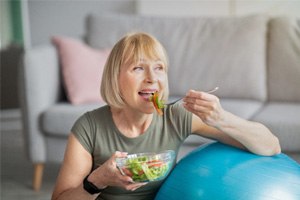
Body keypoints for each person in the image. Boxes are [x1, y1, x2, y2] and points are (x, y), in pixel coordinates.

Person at [51, 32, 281, 200]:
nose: (153, 78)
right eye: (138, 68)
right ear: (115, 78)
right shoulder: (89, 127)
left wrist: (222, 118)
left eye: (159, 67)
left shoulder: (176, 115)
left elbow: (271, 146)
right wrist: (98, 180)